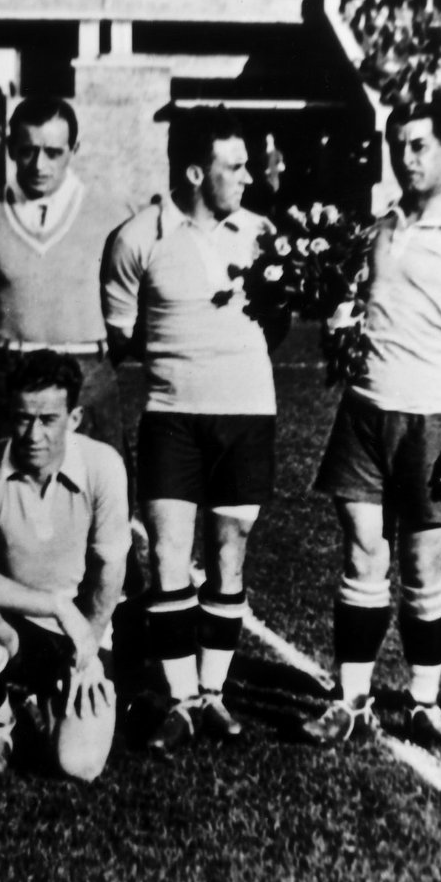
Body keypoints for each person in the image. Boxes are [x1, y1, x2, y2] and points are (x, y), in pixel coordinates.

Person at [301, 100, 441, 746]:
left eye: (420, 145)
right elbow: (351, 307)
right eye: (398, 145)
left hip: (431, 417)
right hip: (364, 410)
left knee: (423, 567)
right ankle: (352, 698)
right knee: (361, 552)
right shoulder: (375, 228)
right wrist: (340, 326)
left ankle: (423, 700)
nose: (408, 157)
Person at [102, 105, 276, 752]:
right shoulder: (136, 237)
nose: (248, 177)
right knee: (171, 554)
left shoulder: (262, 233)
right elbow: (118, 336)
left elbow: (278, 320)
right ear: (197, 171)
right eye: (235, 166)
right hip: (171, 417)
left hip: (248, 414)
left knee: (230, 550)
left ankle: (214, 693)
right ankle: (178, 699)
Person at [0, 351, 128, 780]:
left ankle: (41, 701)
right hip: (13, 626)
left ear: (76, 417)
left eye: (48, 419)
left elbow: (110, 570)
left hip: (80, 632)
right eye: (23, 418)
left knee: (78, 766)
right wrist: (57, 607)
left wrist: (90, 647)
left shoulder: (104, 466)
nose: (33, 434)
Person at [0, 97, 135, 452]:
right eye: (27, 151)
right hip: (14, 373)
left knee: (97, 493)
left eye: (53, 152)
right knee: (12, 495)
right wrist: (10, 355)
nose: (39, 164)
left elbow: (136, 306)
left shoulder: (113, 214)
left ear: (74, 149)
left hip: (90, 371)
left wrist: (97, 361)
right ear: (10, 148)